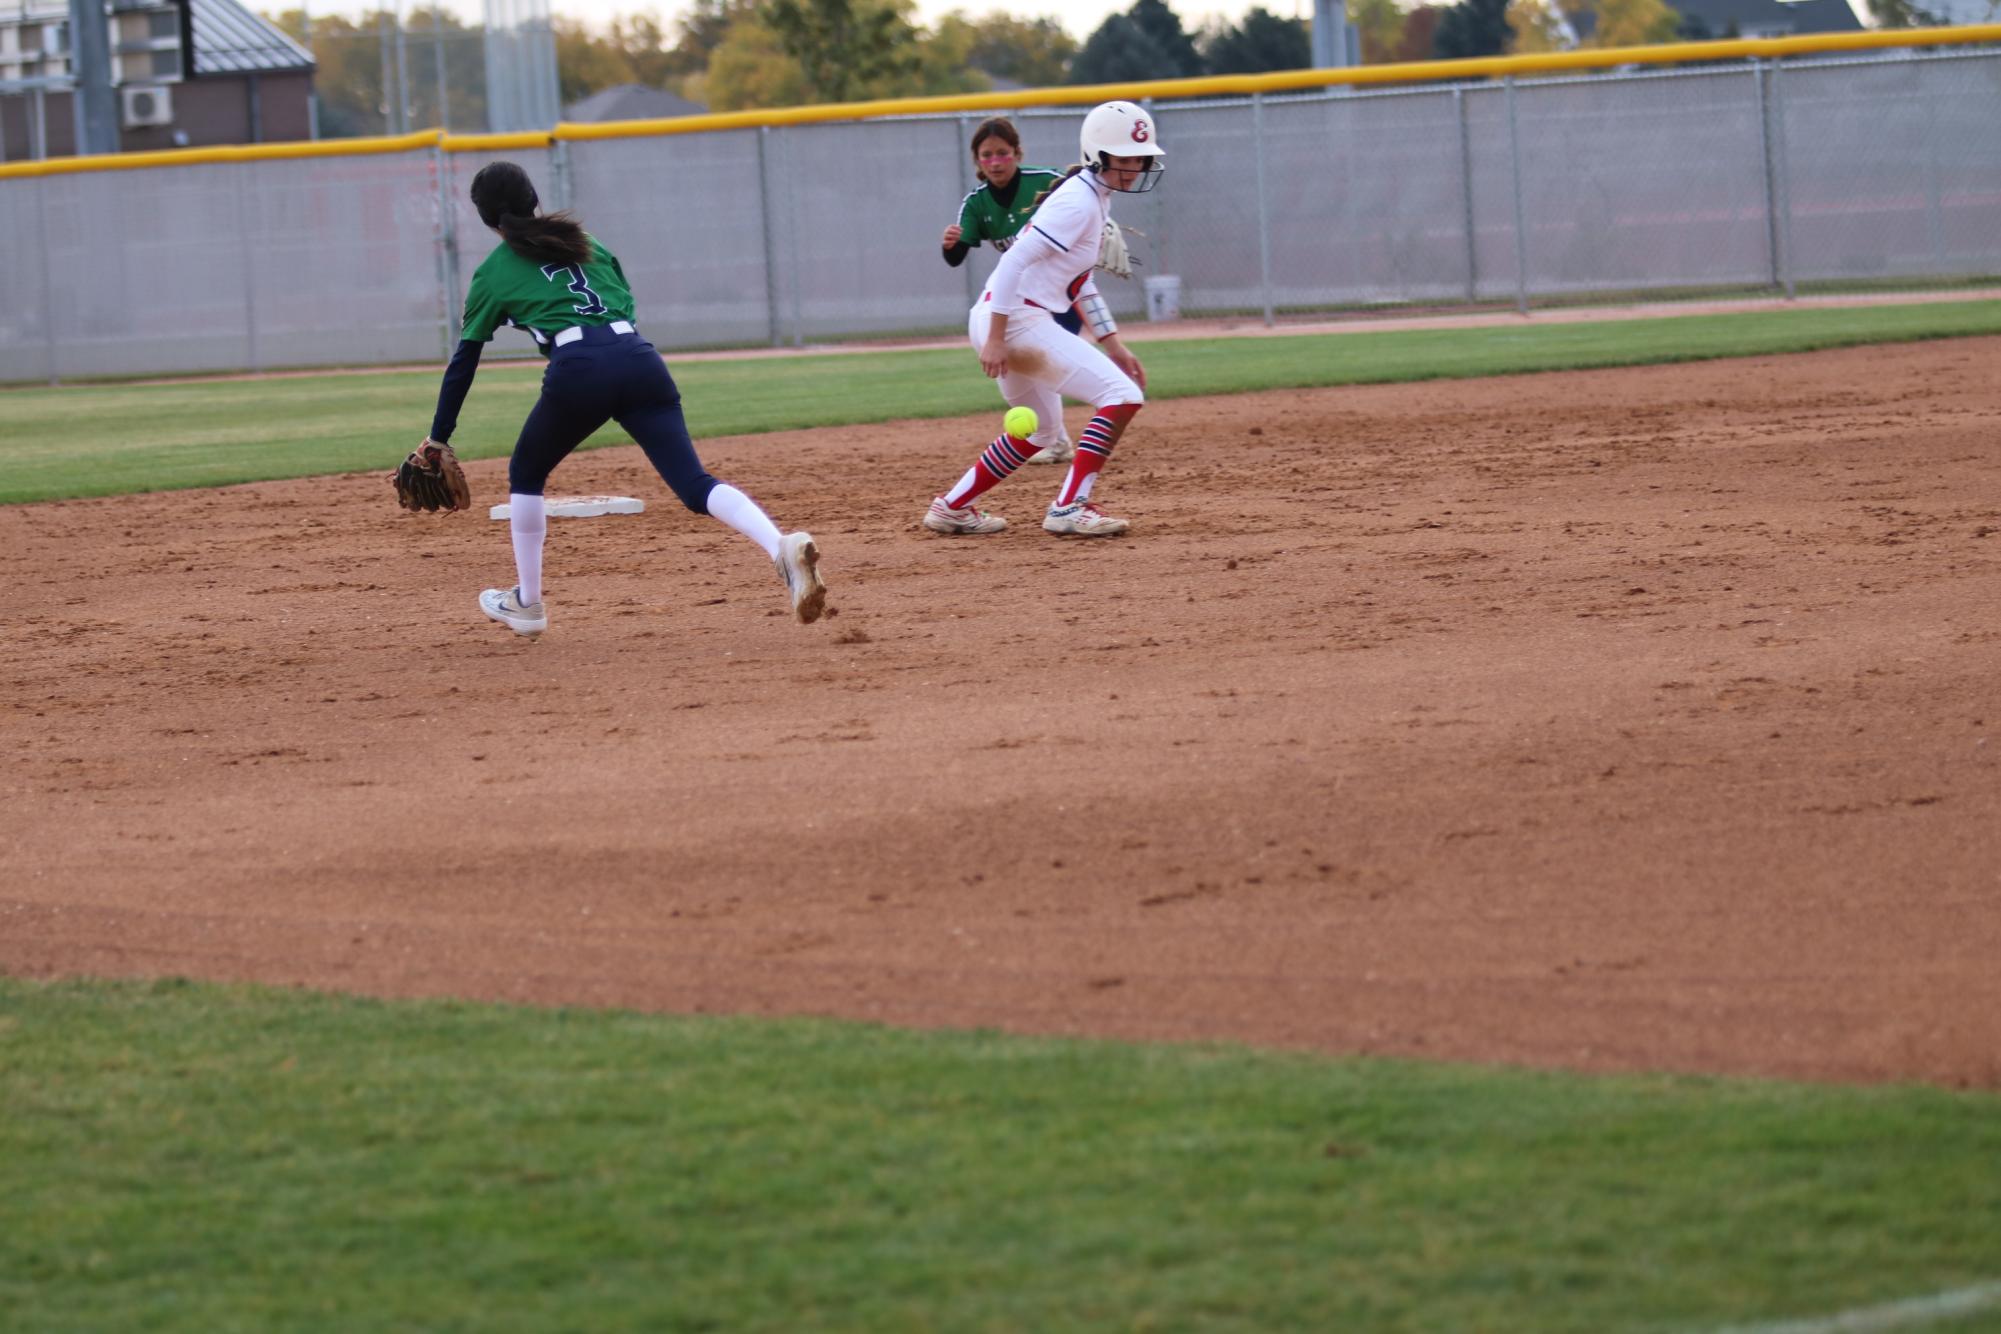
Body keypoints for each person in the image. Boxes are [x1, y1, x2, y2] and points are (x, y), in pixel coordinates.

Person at [423, 161, 825, 637]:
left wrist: (438, 436)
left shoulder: (493, 271)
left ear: (488, 219)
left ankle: (527, 604)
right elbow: (621, 308)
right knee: (694, 484)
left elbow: (464, 360)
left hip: (579, 367)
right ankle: (780, 546)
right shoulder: (587, 244)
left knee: (526, 475)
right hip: (640, 360)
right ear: (534, 199)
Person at [922, 100, 1164, 540]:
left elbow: (1079, 285)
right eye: (1127, 156)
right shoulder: (1078, 203)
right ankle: (1069, 506)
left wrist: (1114, 345)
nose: (1137, 166)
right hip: (1013, 321)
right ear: (1099, 154)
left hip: (1003, 317)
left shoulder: (1093, 198)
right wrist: (997, 338)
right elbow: (1013, 262)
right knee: (1122, 396)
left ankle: (952, 506)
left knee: (1041, 431)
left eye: (1141, 157)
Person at [939, 117, 1078, 466]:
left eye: (1003, 153)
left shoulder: (1045, 182)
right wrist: (950, 245)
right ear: (978, 162)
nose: (996, 162)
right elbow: (957, 257)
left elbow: (1082, 200)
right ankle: (1056, 438)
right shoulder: (978, 203)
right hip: (1024, 298)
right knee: (1032, 363)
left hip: (1062, 290)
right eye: (986, 156)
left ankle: (1060, 436)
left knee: (1047, 364)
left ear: (1017, 153)